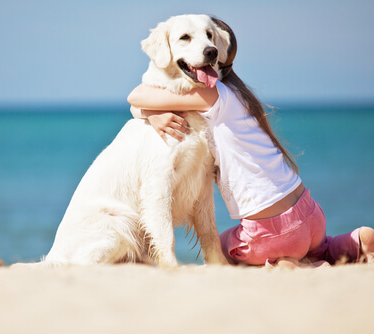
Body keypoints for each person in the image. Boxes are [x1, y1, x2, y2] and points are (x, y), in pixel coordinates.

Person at [127, 18, 374, 267]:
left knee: (222, 247)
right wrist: (150, 112)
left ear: (220, 52)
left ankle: (289, 262)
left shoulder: (209, 95)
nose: (206, 46)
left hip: (273, 232)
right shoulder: (241, 96)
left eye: (210, 38)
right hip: (310, 213)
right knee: (317, 245)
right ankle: (352, 243)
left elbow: (136, 96)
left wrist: (149, 113)